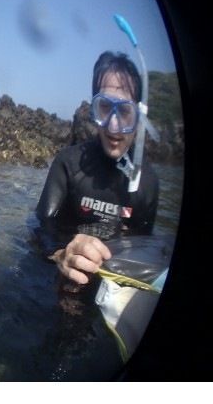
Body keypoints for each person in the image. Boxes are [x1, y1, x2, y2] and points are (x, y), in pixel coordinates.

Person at [35, 51, 160, 284]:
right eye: (105, 108)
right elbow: (40, 232)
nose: (113, 126)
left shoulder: (148, 183)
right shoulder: (67, 163)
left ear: (139, 115)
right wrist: (61, 255)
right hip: (62, 272)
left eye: (124, 111)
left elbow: (144, 251)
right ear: (94, 110)